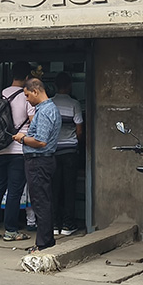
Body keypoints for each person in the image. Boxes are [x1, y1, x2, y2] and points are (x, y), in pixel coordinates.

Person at [0, 61, 34, 242]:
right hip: (19, 149)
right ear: (27, 77)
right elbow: (33, 121)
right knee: (14, 191)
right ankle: (10, 230)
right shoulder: (26, 96)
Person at [13, 77, 61, 252]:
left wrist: (22, 138)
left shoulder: (45, 111)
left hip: (39, 161)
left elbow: (40, 141)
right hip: (41, 160)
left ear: (35, 91)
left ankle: (43, 243)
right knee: (43, 200)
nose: (27, 99)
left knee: (40, 202)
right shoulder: (46, 109)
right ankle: (45, 240)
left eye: (27, 95)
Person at [51, 71, 83, 236]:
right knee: (69, 188)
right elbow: (79, 130)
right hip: (70, 151)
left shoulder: (49, 104)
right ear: (69, 86)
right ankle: (68, 225)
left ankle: (55, 224)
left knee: (54, 188)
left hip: (54, 152)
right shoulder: (74, 104)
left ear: (55, 86)